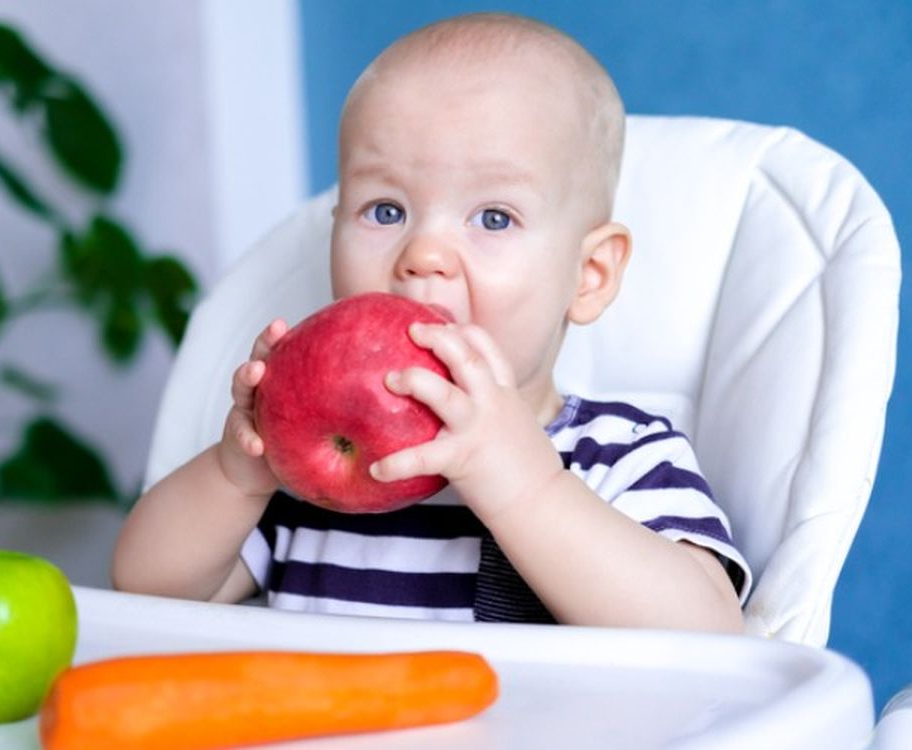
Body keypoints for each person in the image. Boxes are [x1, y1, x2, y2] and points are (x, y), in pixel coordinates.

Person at [111, 12, 750, 632]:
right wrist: (237, 472)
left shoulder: (618, 458)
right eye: (385, 210)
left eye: (494, 218)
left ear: (590, 276)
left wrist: (526, 488)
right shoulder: (304, 482)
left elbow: (708, 634)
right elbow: (144, 592)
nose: (424, 256)